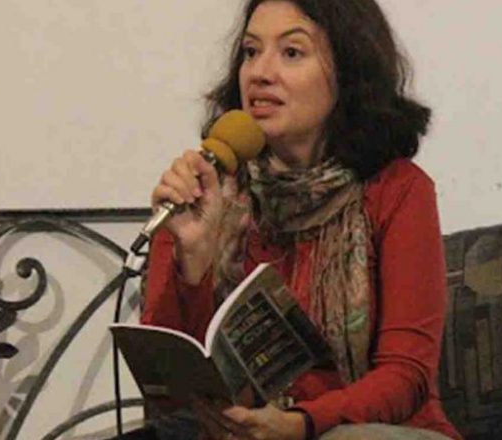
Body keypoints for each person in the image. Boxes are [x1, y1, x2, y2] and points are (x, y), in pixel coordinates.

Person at [139, 0, 462, 439]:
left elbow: (406, 375)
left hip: (372, 430)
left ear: (348, 70)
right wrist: (191, 263)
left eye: (291, 52)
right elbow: (169, 391)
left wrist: (301, 424)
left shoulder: (398, 190)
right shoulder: (203, 192)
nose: (259, 73)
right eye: (251, 52)